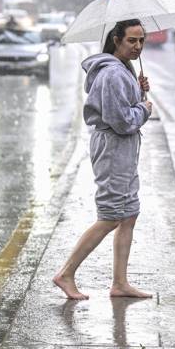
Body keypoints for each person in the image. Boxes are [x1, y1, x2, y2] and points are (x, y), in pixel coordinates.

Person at [53, 19, 153, 300]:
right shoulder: (112, 74)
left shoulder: (123, 71)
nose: (138, 46)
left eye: (141, 40)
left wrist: (138, 88)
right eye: (132, 40)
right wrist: (144, 109)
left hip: (124, 147)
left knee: (129, 213)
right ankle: (66, 273)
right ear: (116, 40)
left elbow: (124, 106)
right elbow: (121, 120)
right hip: (113, 146)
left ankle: (120, 283)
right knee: (111, 215)